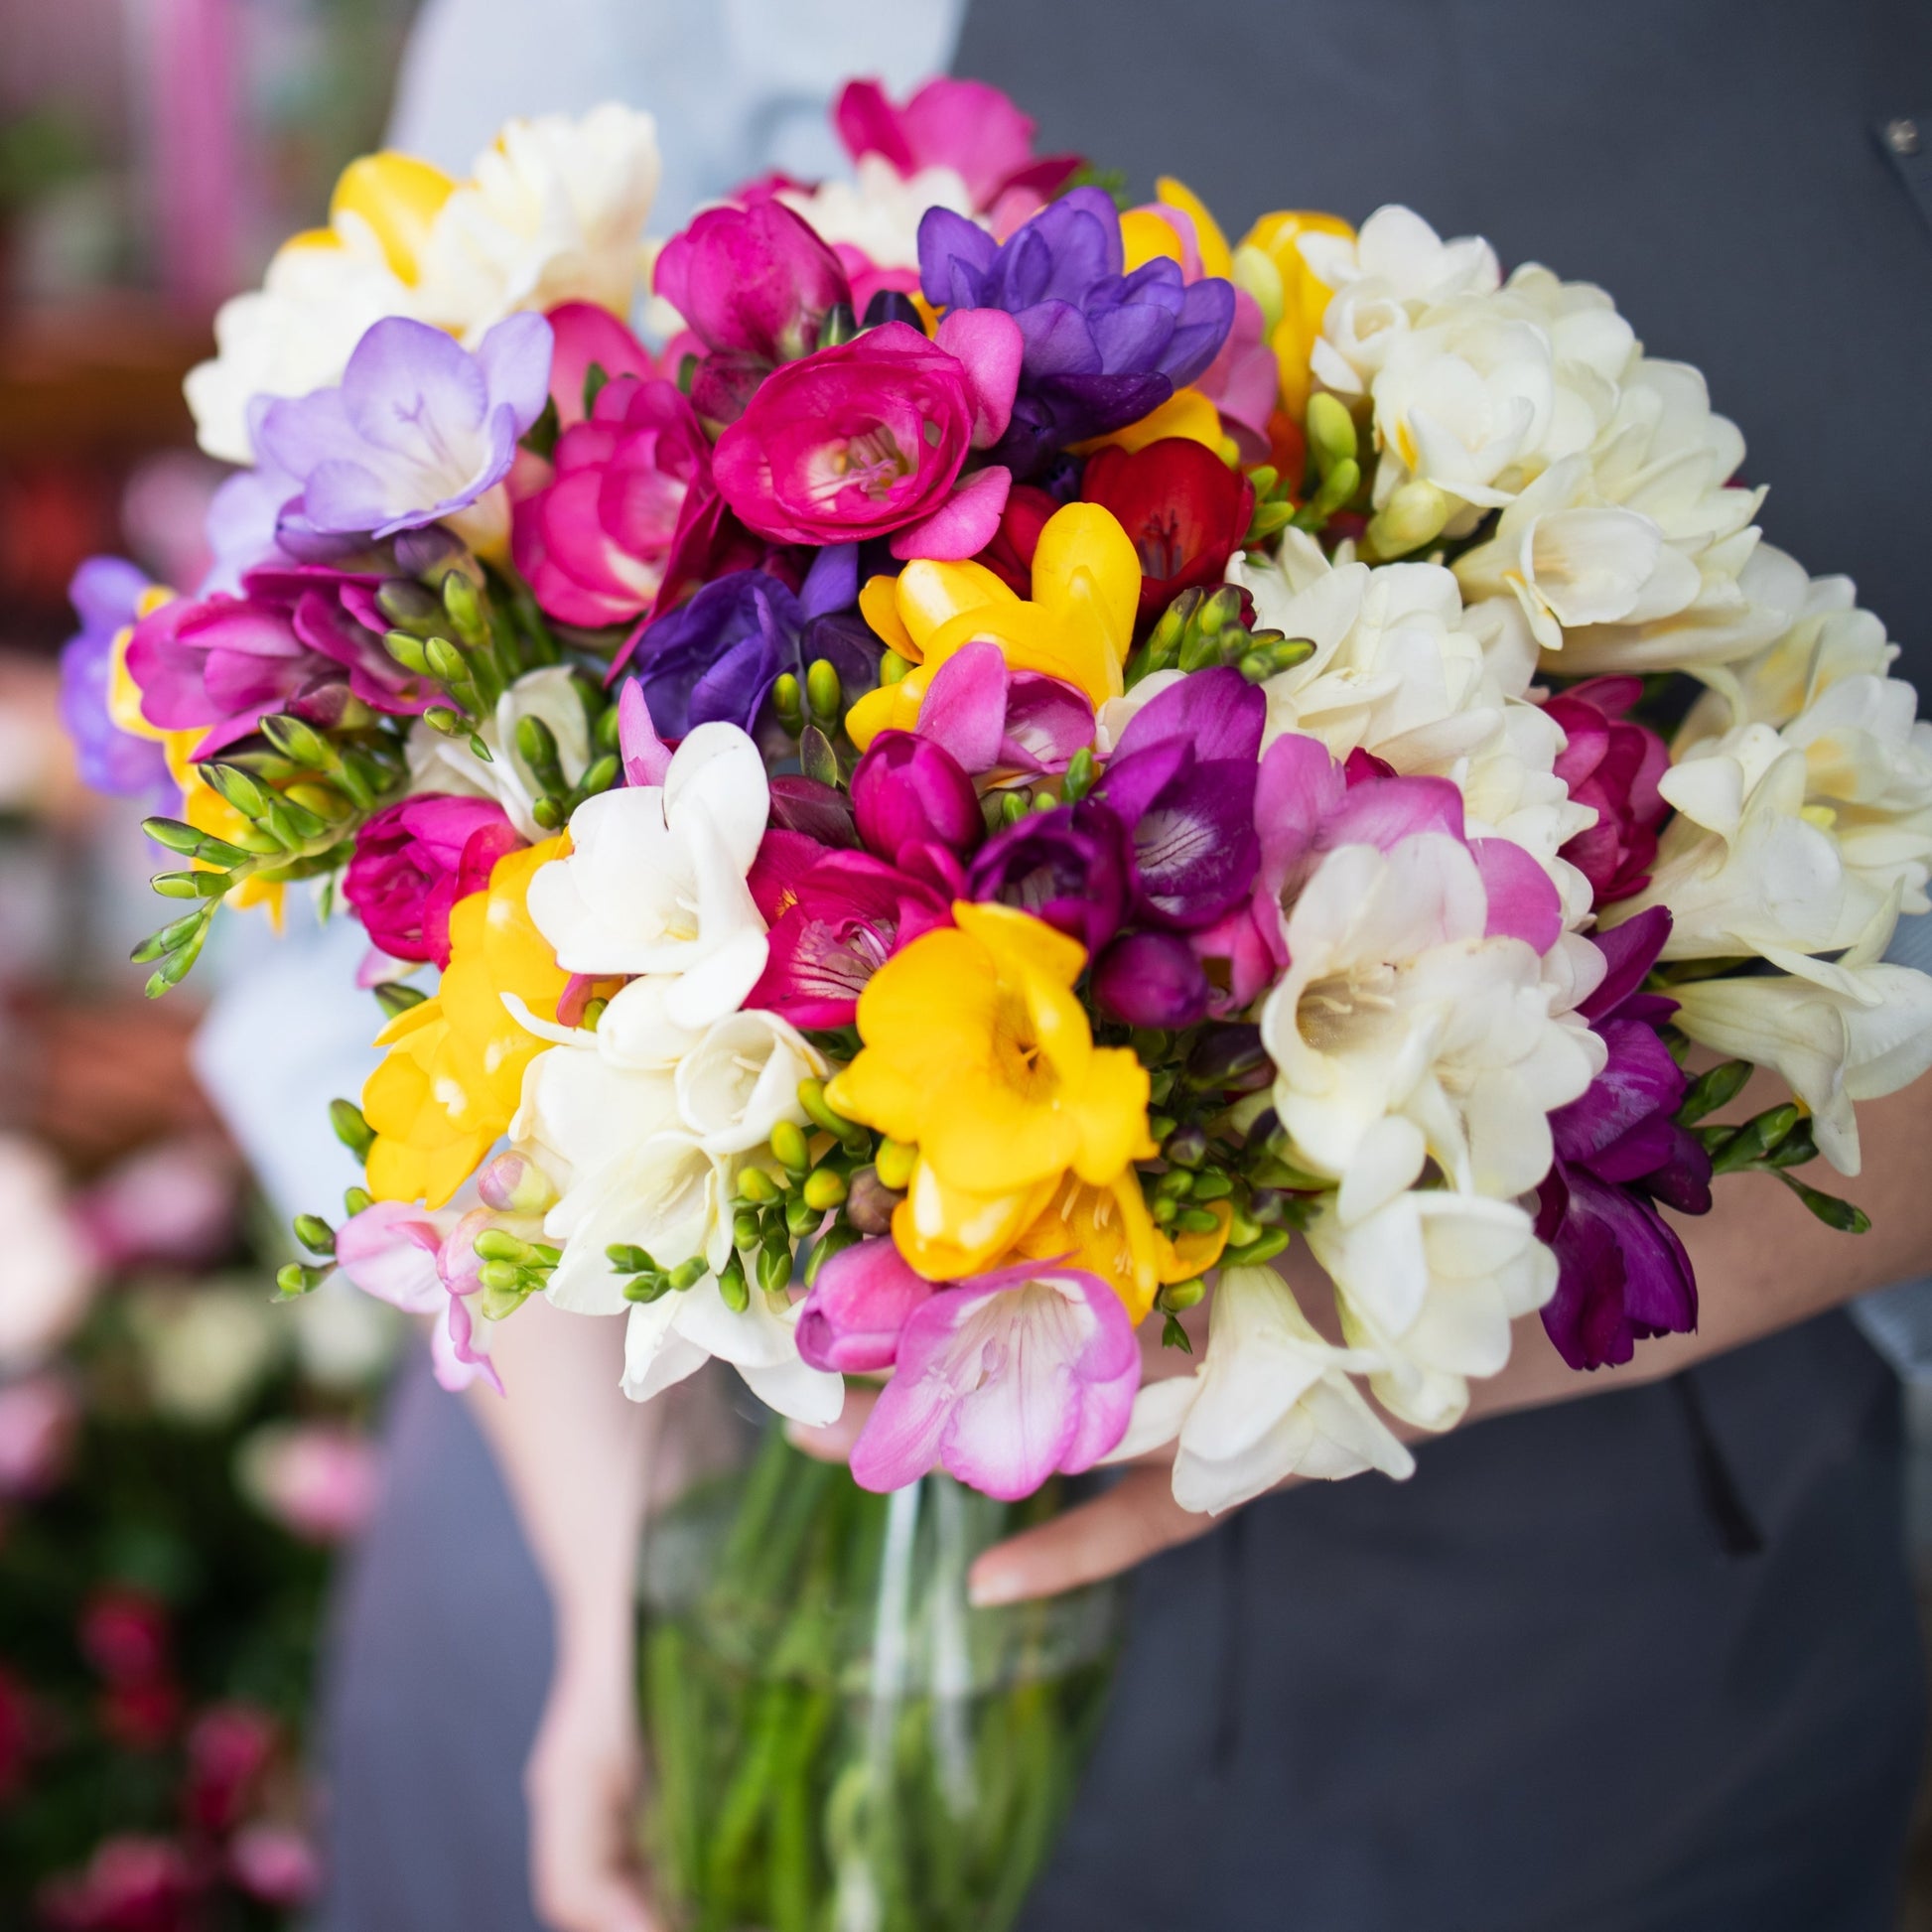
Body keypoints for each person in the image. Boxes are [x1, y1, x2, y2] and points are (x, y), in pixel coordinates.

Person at [308, 2, 1932, 1928]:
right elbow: (430, 775)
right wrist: (615, 1589)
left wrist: (1338, 1331)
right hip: (646, 1501)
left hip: (1557, 1648)